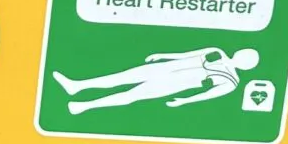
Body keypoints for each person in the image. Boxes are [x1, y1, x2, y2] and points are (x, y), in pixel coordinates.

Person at [51, 45, 259, 114]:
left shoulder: (231, 82)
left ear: (247, 65)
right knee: (121, 78)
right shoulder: (217, 52)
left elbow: (207, 94)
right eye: (244, 53)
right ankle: (76, 86)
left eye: (246, 58)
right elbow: (187, 54)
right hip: (165, 68)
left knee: (130, 96)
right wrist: (163, 55)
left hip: (175, 84)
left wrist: (184, 101)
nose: (241, 56)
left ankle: (83, 106)